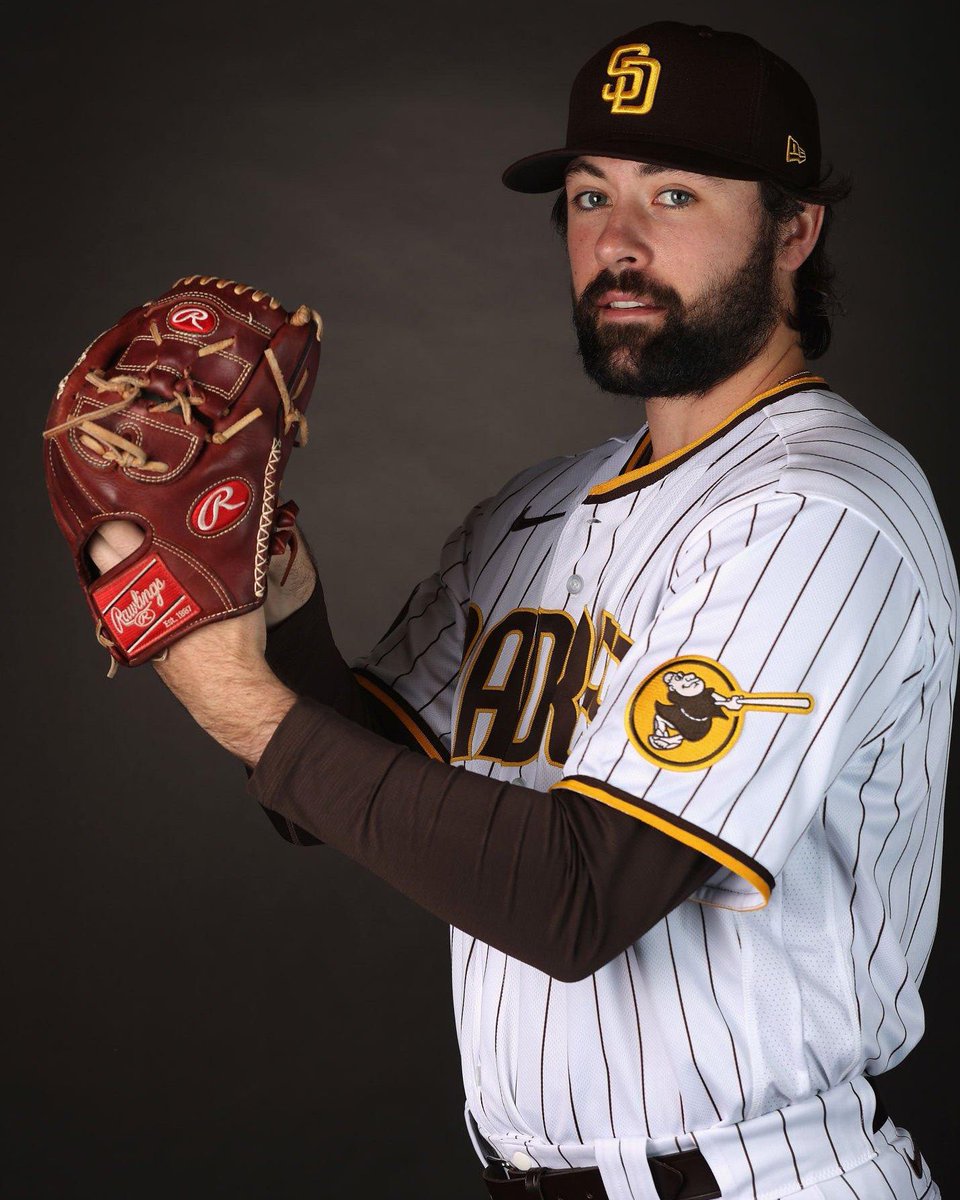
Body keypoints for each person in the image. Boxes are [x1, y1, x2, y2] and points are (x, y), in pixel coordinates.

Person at [89, 20, 957, 1200]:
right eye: (592, 194)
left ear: (795, 229)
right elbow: (339, 784)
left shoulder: (821, 512)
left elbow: (579, 894)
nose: (621, 240)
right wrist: (273, 594)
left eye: (678, 194)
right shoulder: (536, 513)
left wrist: (240, 705)